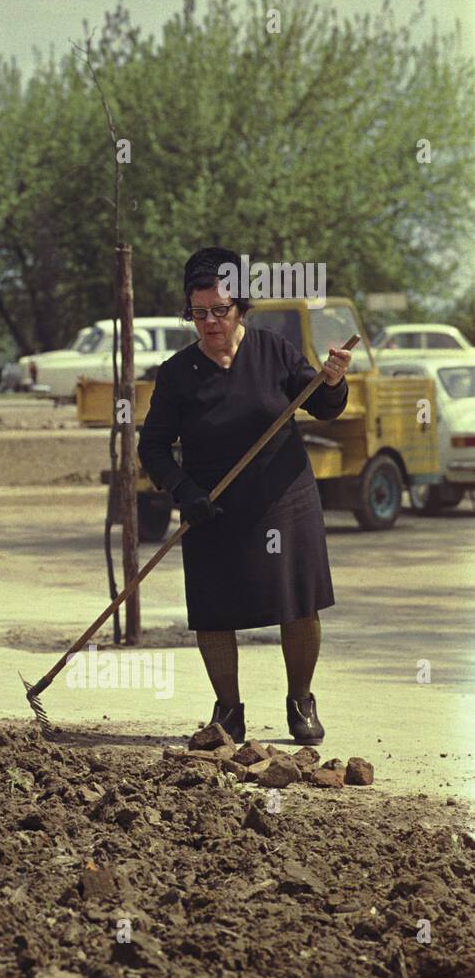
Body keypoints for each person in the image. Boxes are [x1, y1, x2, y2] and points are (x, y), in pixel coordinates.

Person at [137, 247, 353, 746]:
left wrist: (334, 379)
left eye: (220, 310)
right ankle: (228, 711)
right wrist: (184, 491)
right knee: (214, 607)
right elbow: (153, 446)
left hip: (285, 498)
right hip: (212, 503)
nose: (210, 322)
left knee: (297, 602)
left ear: (241, 309)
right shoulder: (176, 374)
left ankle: (301, 701)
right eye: (199, 313)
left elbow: (320, 406)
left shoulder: (274, 352)